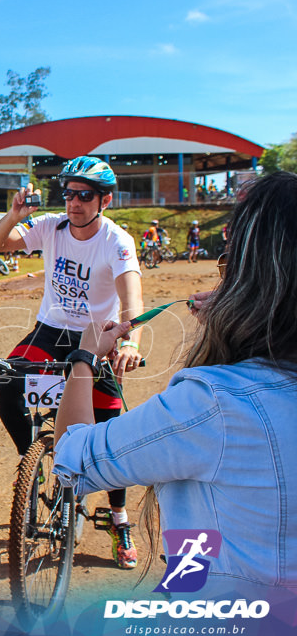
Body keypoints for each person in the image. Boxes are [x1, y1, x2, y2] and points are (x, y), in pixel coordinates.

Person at [53, 170, 297, 608]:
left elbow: (74, 458)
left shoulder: (212, 404)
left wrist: (86, 356)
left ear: (252, 282)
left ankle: (120, 521)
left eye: (229, 267)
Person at [0, 155, 145, 570]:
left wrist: (130, 343)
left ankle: (119, 518)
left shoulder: (116, 241)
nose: (74, 202)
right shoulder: (51, 225)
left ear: (104, 200)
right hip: (50, 331)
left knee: (106, 431)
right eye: (69, 193)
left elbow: (133, 303)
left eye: (85, 195)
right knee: (7, 381)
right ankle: (30, 463)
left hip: (96, 335)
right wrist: (14, 214)